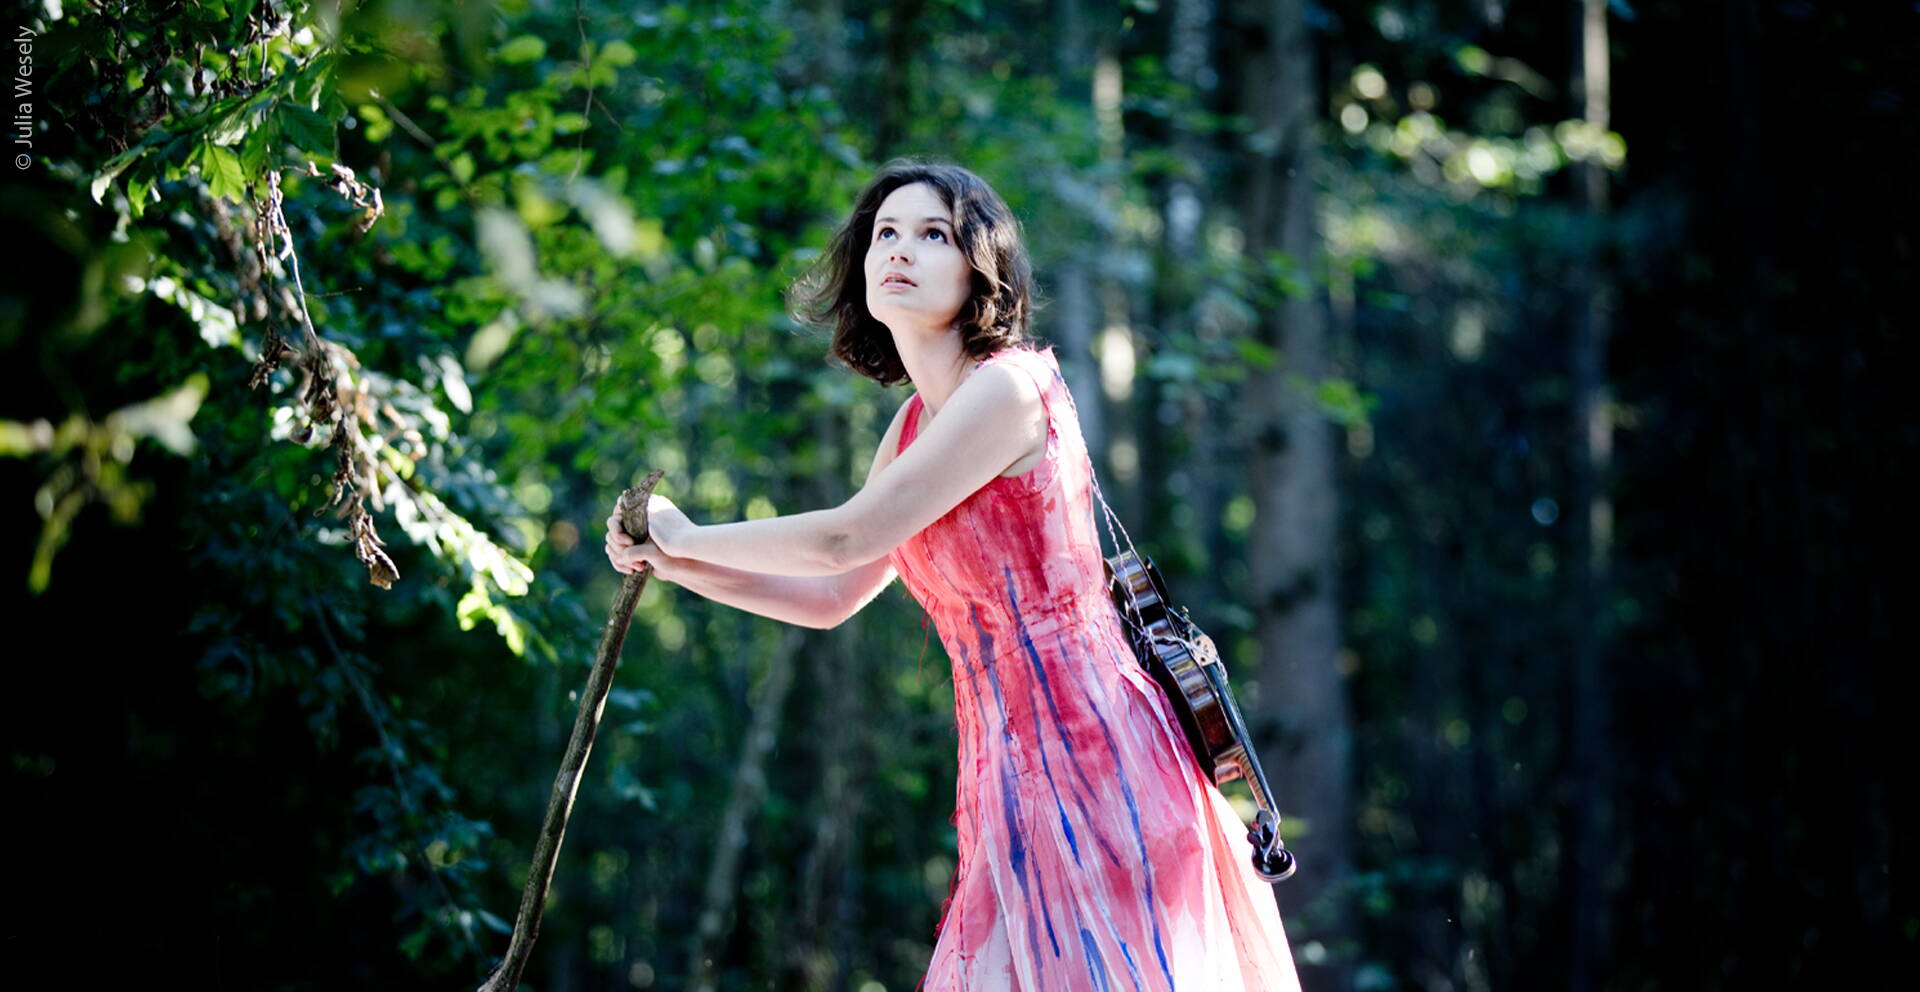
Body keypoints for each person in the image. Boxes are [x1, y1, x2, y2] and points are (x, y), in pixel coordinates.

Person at [605, 159, 1301, 991]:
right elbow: (833, 595)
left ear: (979, 267)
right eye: (886, 234)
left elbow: (845, 538)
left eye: (933, 234)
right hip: (1003, 779)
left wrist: (694, 533)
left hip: (1101, 757)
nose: (901, 250)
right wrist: (675, 563)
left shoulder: (1010, 388)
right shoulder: (912, 425)